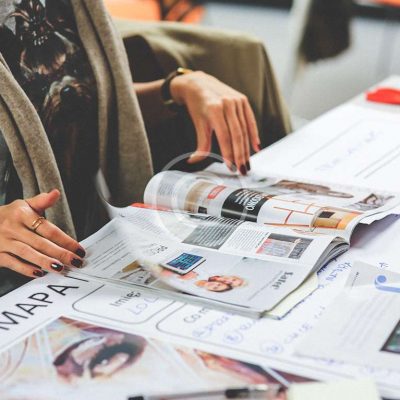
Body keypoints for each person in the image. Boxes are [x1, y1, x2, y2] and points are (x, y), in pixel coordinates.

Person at [0, 0, 287, 292]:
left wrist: (175, 89)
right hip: (21, 284)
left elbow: (78, 108)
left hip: (90, 250)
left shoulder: (76, 6)